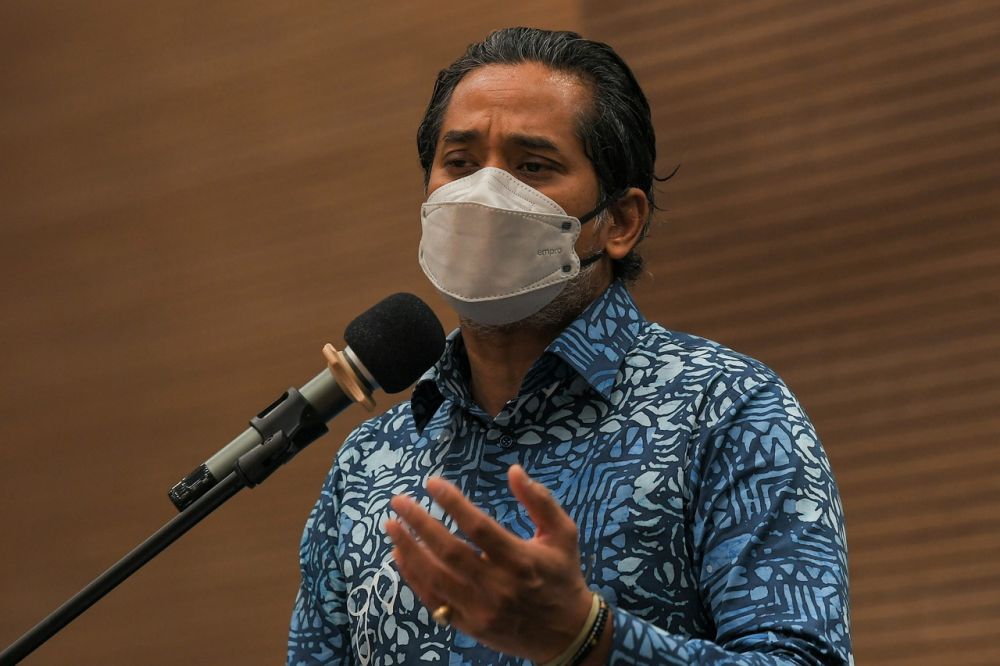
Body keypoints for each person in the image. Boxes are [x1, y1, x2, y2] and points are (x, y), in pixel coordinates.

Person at [287, 27, 851, 666]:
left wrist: (589, 641)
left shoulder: (725, 411)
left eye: (533, 166)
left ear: (620, 221)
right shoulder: (369, 463)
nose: (486, 196)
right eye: (461, 163)